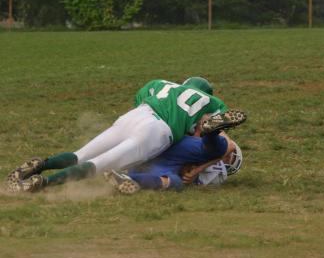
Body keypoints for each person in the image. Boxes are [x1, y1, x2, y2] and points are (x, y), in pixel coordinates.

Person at [6, 77, 245, 193]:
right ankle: (42, 184)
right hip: (158, 132)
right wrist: (202, 132)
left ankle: (40, 165)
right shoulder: (211, 101)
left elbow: (140, 99)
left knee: (81, 155)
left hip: (134, 116)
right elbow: (222, 140)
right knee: (97, 165)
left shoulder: (160, 83)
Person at [104, 116, 244, 194]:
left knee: (175, 182)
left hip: (164, 161)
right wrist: (199, 169)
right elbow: (229, 146)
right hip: (172, 144)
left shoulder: (217, 175)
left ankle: (126, 178)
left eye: (227, 161)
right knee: (211, 149)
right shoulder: (223, 146)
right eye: (229, 156)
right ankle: (212, 132)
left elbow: (187, 178)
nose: (225, 158)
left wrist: (194, 172)